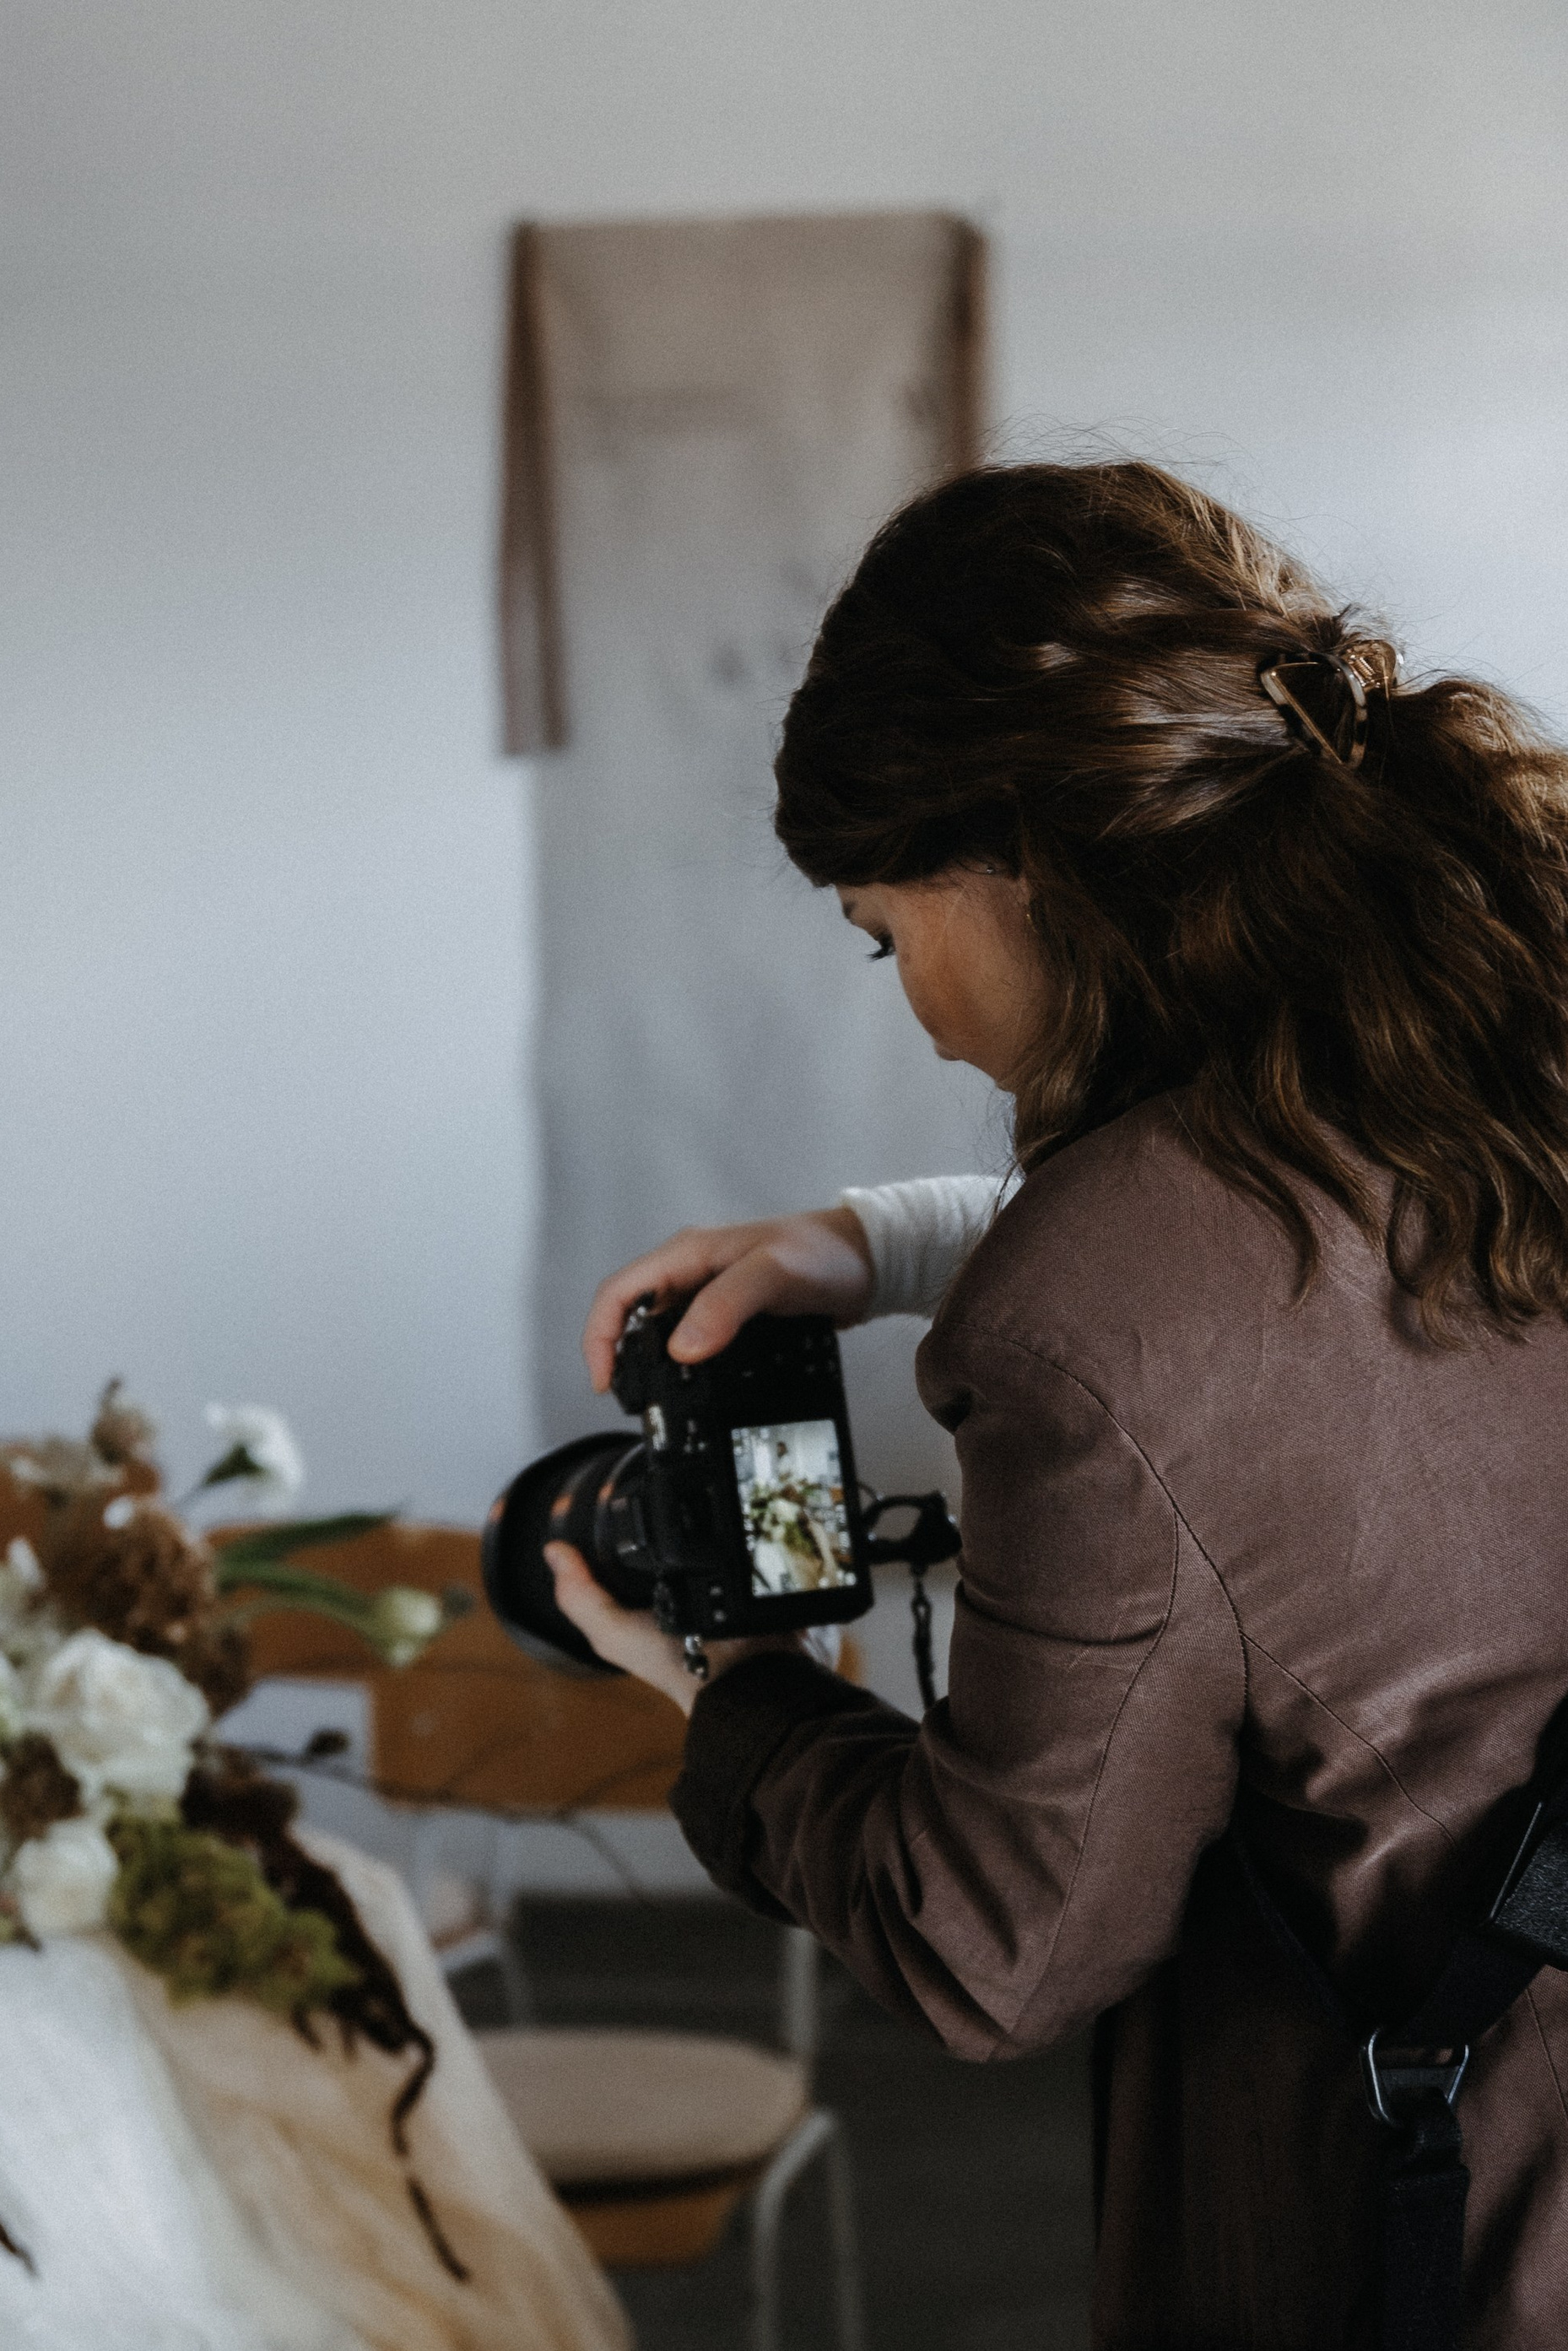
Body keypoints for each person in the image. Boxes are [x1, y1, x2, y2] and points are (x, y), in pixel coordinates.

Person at [543, 462, 1568, 2349]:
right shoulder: (1496, 1026)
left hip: (1429, 2222)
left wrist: (725, 1689)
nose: (916, 1011)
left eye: (882, 930)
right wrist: (876, 1239)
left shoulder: (1088, 1312)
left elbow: (998, 1942)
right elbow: (1327, 1295)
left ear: (1024, 850)